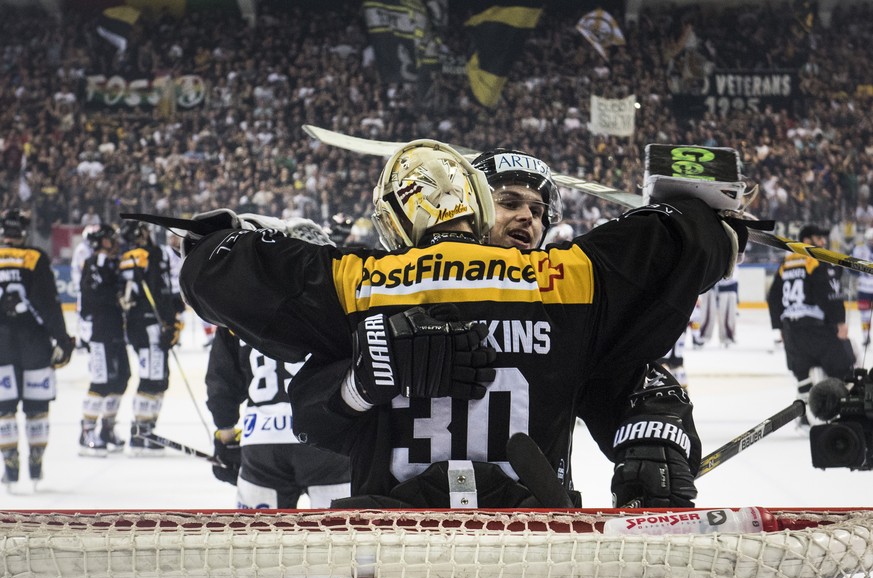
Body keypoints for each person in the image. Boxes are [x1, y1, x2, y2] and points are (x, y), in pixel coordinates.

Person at [167, 139, 745, 509]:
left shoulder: (362, 285)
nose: (525, 217)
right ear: (477, 204)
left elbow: (625, 379)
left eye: (538, 210)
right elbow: (315, 412)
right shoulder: (569, 281)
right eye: (509, 201)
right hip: (525, 537)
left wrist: (653, 426)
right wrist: (710, 223)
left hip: (397, 538)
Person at [206, 216, 351, 510]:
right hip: (330, 443)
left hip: (263, 445)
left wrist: (226, 436)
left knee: (259, 550)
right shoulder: (345, 303)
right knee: (343, 548)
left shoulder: (239, 309)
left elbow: (222, 380)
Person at [0, 209, 74, 488]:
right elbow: (48, 304)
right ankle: (35, 462)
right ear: (24, 232)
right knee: (37, 407)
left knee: (3, 408)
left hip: (1, 347)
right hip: (34, 344)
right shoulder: (34, 258)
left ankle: (10, 463)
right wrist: (62, 340)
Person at [767, 223, 855, 429]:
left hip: (792, 331)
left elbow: (773, 297)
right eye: (818, 238)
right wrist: (840, 322)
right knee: (843, 368)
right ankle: (843, 414)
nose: (823, 242)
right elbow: (828, 293)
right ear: (806, 241)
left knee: (802, 375)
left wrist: (778, 326)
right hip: (817, 329)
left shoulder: (786, 263)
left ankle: (805, 417)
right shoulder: (815, 261)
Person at [118, 221, 184, 455]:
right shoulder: (150, 254)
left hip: (138, 327)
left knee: (155, 378)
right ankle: (141, 433)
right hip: (151, 326)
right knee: (153, 380)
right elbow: (158, 290)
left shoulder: (126, 256)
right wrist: (169, 321)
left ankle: (144, 431)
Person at [78, 223, 131, 456]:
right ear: (99, 242)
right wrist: (118, 297)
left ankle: (107, 428)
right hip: (99, 331)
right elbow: (95, 295)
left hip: (115, 329)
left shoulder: (110, 262)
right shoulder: (93, 263)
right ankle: (87, 431)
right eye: (109, 239)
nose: (114, 241)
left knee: (121, 377)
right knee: (101, 381)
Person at [696, 274, 739, 348]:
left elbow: (738, 262)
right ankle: (703, 335)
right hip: (710, 283)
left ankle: (727, 336)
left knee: (727, 313)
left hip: (729, 284)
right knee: (707, 312)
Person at [850, 227, 873, 346]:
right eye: (870, 240)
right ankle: (866, 336)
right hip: (864, 288)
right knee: (865, 315)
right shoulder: (859, 250)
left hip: (865, 288)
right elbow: (852, 269)